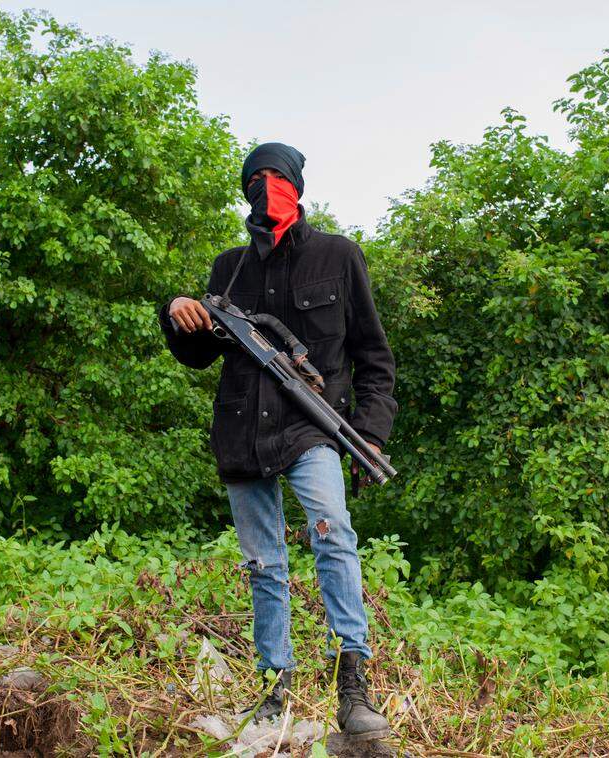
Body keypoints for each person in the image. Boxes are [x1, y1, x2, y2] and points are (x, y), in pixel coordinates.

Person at [157, 142, 396, 741]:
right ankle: (273, 688)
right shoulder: (229, 267)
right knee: (264, 563)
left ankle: (353, 686)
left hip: (313, 425)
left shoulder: (338, 256)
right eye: (256, 180)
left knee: (333, 531)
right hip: (242, 433)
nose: (267, 190)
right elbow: (197, 352)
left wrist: (368, 435)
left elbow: (373, 357)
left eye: (276, 179)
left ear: (296, 186)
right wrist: (180, 314)